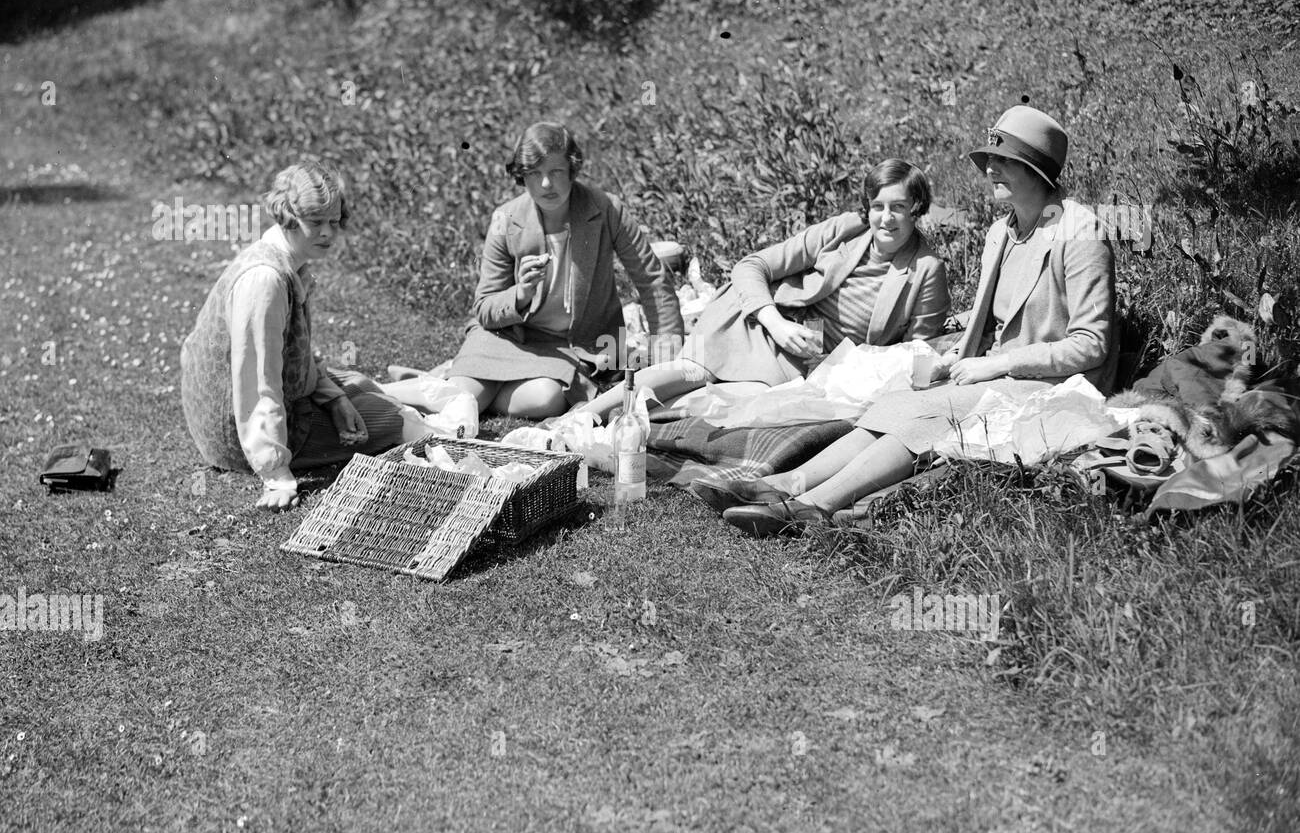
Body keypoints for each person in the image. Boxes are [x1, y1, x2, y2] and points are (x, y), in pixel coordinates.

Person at [708, 105, 1118, 536]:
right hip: (999, 375)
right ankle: (777, 486)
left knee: (933, 413)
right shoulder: (1001, 232)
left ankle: (813, 507)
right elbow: (986, 328)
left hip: (1056, 387)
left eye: (1004, 161)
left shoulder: (1080, 233)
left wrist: (997, 364)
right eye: (990, 160)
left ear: (1036, 169)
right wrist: (956, 357)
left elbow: (1091, 344)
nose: (991, 170)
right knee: (897, 401)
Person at [575, 158, 951, 423]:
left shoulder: (926, 270)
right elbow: (752, 266)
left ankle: (623, 427)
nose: (885, 218)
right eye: (878, 206)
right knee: (689, 372)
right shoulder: (845, 229)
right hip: (763, 324)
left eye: (898, 207)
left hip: (817, 365)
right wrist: (776, 323)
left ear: (916, 208)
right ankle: (579, 420)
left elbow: (915, 353)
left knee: (721, 401)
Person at [181, 160, 418, 511]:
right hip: (234, 433)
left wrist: (334, 398)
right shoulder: (266, 280)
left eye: (334, 222)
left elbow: (296, 354)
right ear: (289, 215)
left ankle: (426, 393)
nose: (328, 233)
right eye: (316, 222)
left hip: (244, 409)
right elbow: (257, 382)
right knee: (394, 419)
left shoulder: (287, 260)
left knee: (357, 387)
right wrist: (275, 470)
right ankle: (441, 408)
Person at [446, 121, 684, 418]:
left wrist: (667, 346)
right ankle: (386, 393)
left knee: (545, 400)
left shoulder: (607, 208)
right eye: (535, 173)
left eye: (555, 172)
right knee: (462, 396)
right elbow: (484, 307)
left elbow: (650, 278)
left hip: (574, 348)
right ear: (522, 177)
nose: (546, 184)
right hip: (509, 337)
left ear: (572, 170)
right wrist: (520, 294)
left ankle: (478, 388)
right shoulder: (505, 219)